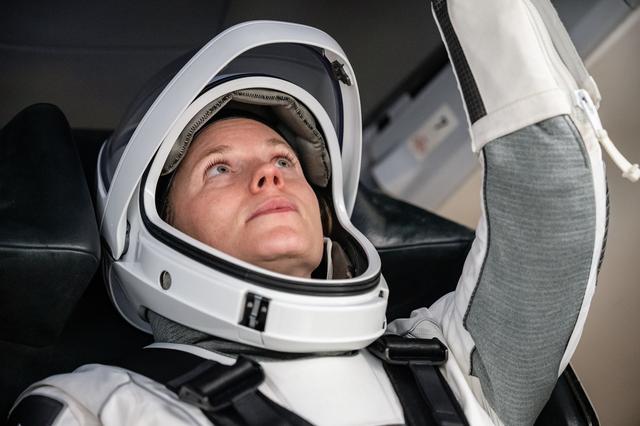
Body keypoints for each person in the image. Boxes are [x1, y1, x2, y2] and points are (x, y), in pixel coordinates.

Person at [10, 0, 625, 424]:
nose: (270, 175)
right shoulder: (99, 407)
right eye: (219, 168)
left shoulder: (454, 371)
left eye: (284, 159)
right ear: (157, 229)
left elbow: (554, 202)